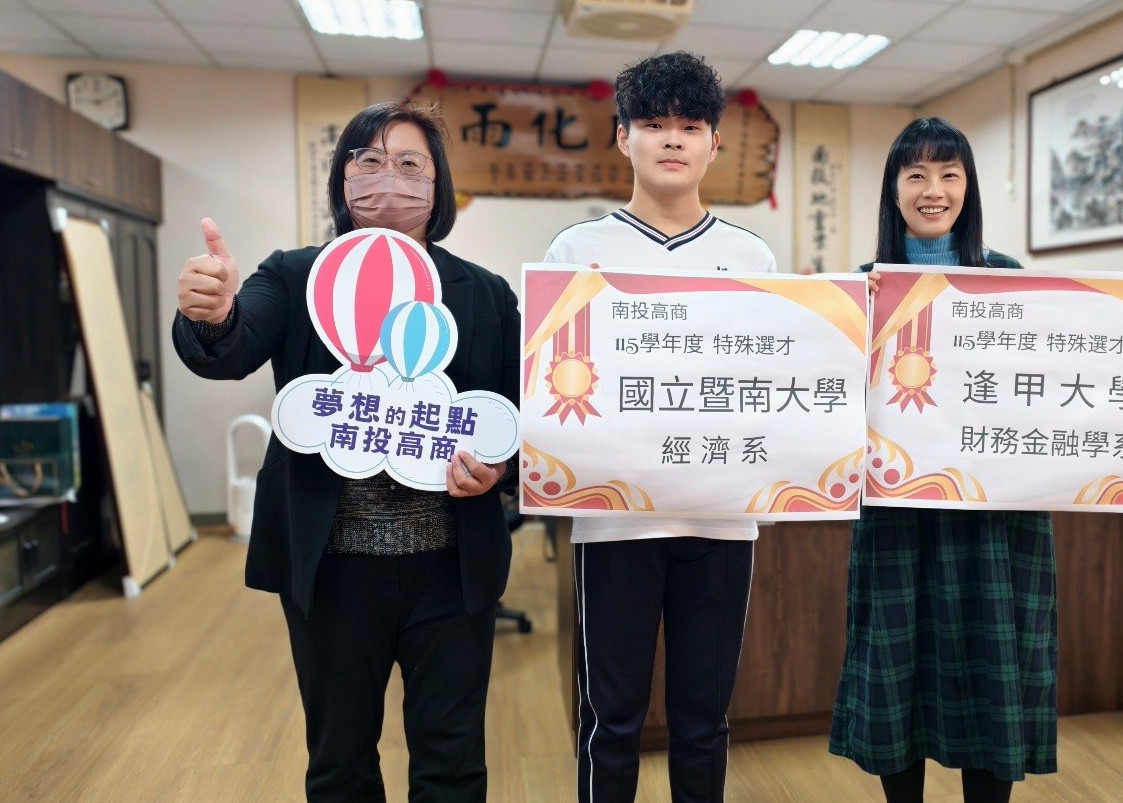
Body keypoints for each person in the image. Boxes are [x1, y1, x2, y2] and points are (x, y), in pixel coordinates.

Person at [829, 117, 1123, 803]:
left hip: (998, 514)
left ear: (968, 187)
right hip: (897, 510)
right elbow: (819, 384)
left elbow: (1084, 362)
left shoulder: (1008, 278)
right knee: (897, 664)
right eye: (916, 174)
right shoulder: (861, 289)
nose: (933, 189)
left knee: (996, 664)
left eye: (949, 174)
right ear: (893, 190)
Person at [172, 102, 520, 802]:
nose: (388, 178)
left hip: (451, 570)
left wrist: (499, 469)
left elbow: (515, 416)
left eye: (410, 164)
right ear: (342, 182)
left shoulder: (484, 293)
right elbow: (232, 346)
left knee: (452, 763)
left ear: (439, 187)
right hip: (330, 569)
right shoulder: (293, 275)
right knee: (339, 762)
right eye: (368, 162)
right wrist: (211, 315)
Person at [542, 52, 776, 803]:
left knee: (704, 721)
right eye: (652, 123)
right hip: (614, 522)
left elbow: (776, 381)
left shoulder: (753, 257)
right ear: (623, 138)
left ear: (714, 143)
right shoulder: (575, 252)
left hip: (722, 520)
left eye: (690, 126)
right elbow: (554, 381)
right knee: (611, 720)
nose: (672, 139)